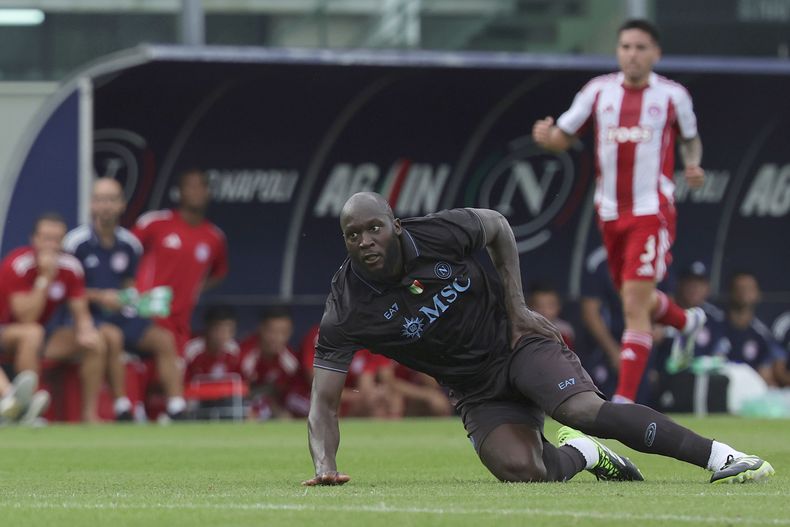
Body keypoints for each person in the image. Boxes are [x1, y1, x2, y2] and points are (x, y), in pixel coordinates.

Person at [303, 192, 773, 486]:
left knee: (580, 411)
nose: (364, 240)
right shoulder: (346, 308)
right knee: (522, 471)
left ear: (395, 226)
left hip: (517, 343)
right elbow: (323, 402)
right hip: (474, 389)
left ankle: (721, 456)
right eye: (352, 234)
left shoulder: (438, 233)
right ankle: (586, 454)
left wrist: (517, 307)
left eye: (373, 228)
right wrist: (325, 465)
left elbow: (499, 227)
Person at [532, 19, 707, 404]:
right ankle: (686, 320)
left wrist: (692, 165)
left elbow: (691, 142)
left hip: (651, 211)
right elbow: (564, 135)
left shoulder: (673, 96)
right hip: (609, 214)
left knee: (632, 305)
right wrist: (549, 139)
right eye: (626, 46)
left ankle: (623, 402)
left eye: (641, 47)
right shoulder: (598, 92)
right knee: (637, 298)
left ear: (655, 54)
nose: (633, 54)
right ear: (618, 51)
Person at [63, 178, 186, 420]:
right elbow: (68, 289)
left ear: (121, 204)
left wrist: (142, 301)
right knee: (112, 336)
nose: (106, 206)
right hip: (87, 317)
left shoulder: (130, 244)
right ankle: (123, 406)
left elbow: (129, 286)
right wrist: (101, 297)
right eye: (100, 200)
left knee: (163, 339)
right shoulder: (76, 243)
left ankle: (177, 408)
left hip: (121, 315)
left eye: (111, 200)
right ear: (91, 205)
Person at [0, 213, 105, 422]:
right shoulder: (17, 264)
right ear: (34, 240)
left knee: (96, 342)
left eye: (56, 239)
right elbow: (26, 316)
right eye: (46, 238)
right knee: (32, 333)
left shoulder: (70, 267)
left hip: (42, 335)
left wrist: (85, 329)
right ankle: (27, 407)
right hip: (8, 332)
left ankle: (89, 415)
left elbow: (80, 310)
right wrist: (45, 278)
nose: (51, 245)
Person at [132, 168, 229, 356]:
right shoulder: (155, 223)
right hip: (148, 317)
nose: (196, 191)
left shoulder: (214, 237)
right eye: (190, 186)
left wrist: (195, 288)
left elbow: (219, 273)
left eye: (201, 186)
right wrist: (136, 291)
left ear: (209, 192)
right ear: (179, 192)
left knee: (169, 377)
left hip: (181, 322)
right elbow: (125, 252)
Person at [240, 307, 311, 420]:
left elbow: (288, 392)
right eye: (271, 331)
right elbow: (240, 391)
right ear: (261, 329)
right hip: (245, 403)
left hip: (278, 403)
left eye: (283, 332)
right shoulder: (244, 354)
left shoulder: (290, 361)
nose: (277, 337)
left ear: (290, 332)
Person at [719, 272, 783, 385]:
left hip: (744, 391)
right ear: (731, 292)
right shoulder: (714, 322)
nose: (743, 292)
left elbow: (765, 375)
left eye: (749, 288)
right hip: (712, 386)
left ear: (758, 294)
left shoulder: (762, 335)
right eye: (739, 288)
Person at [526, 281, 575, 349]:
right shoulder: (524, 329)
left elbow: (568, 356)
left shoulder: (565, 331)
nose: (544, 311)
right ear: (530, 306)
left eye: (550, 306)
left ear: (559, 306)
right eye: (539, 306)